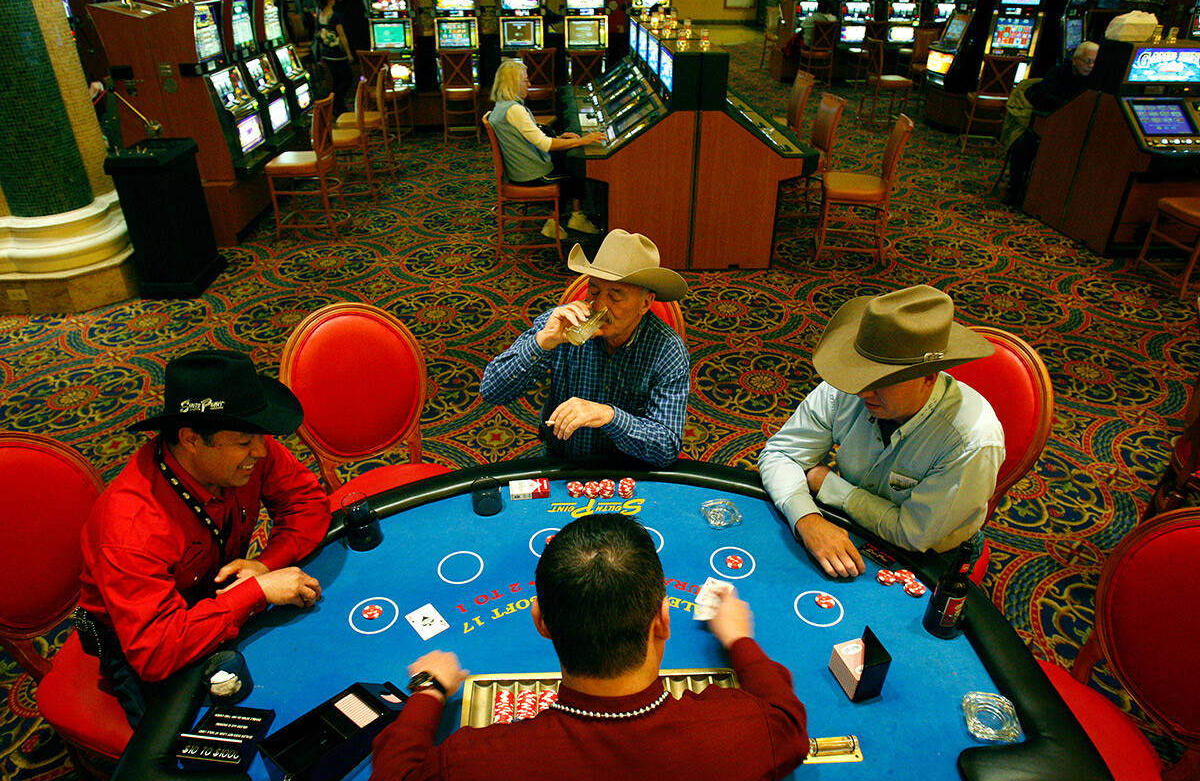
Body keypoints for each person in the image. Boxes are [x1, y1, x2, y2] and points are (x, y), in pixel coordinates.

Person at [370, 513, 809, 780]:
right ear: (663, 620)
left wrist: (429, 690)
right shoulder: (748, 731)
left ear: (540, 622)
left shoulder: (474, 763)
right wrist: (740, 640)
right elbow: (789, 719)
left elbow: (394, 775)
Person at [77, 350, 331, 724]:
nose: (260, 452)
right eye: (245, 442)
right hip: (137, 634)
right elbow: (155, 651)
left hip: (213, 595)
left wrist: (265, 565)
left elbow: (306, 502)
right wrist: (257, 593)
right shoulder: (131, 526)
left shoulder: (250, 448)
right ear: (191, 438)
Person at [758, 285, 1005, 579]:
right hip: (844, 522)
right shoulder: (848, 388)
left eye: (881, 380)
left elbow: (912, 534)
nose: (863, 391)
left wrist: (827, 483)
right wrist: (808, 519)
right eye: (861, 372)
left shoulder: (972, 441)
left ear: (928, 377)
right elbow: (780, 453)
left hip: (932, 556)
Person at [480, 229, 689, 467]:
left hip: (629, 469)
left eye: (615, 297)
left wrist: (609, 416)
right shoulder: (563, 325)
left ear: (645, 303)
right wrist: (543, 341)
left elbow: (666, 447)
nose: (599, 306)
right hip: (563, 462)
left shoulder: (667, 350)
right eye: (595, 291)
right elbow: (491, 390)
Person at [487, 58, 606, 240]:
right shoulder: (514, 110)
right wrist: (584, 140)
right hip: (530, 174)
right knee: (576, 171)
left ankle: (565, 218)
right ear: (513, 83)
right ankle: (563, 221)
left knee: (566, 158)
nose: (529, 84)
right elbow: (544, 144)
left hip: (519, 169)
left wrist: (560, 138)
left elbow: (529, 139)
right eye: (525, 80)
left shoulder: (503, 105)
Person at [1003, 41, 1098, 205]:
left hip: (1075, 131)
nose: (1091, 66)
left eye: (1095, 62)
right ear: (1075, 60)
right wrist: (1068, 105)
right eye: (1087, 61)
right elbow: (1042, 99)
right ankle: (1015, 188)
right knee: (1023, 144)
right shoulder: (1058, 72)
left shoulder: (1095, 81)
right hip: (1044, 125)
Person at [314, 0, 353, 118]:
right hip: (337, 53)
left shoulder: (320, 15)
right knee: (347, 79)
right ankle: (335, 102)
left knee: (337, 80)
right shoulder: (334, 16)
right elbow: (342, 36)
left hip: (326, 53)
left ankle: (339, 109)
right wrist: (348, 53)